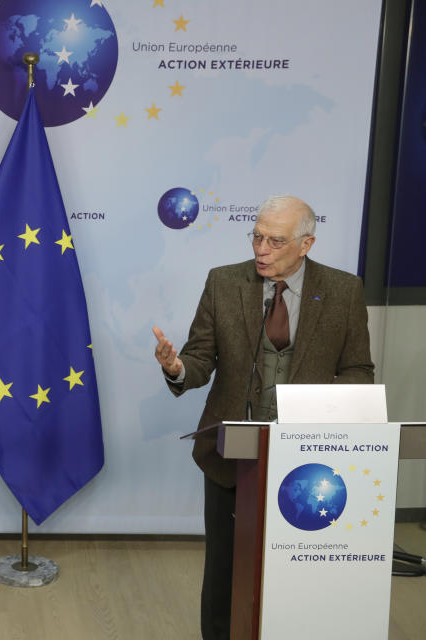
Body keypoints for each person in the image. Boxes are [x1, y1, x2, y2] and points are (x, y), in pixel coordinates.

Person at [151, 195, 373, 639]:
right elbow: (199, 358)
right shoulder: (224, 282)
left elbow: (358, 372)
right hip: (232, 455)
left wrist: (320, 407)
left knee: (294, 571)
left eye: (275, 241)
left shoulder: (344, 290)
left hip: (306, 459)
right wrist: (176, 368)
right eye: (256, 236)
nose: (261, 249)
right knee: (225, 572)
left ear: (306, 243)